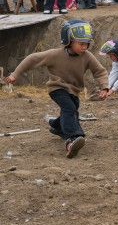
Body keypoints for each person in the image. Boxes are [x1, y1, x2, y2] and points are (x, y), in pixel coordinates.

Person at [3, 20, 109, 158]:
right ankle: (72, 139)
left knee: (72, 110)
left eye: (87, 44)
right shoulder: (55, 55)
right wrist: (14, 75)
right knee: (70, 109)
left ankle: (56, 126)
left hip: (74, 90)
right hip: (57, 88)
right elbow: (32, 59)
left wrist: (104, 87)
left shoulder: (87, 56)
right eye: (81, 44)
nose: (85, 47)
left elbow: (99, 71)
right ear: (69, 41)